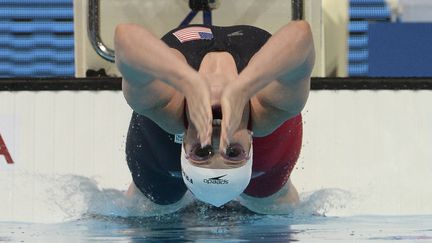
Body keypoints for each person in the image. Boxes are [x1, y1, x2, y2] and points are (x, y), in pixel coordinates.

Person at [114, 20, 315, 214]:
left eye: (202, 152)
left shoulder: (165, 102)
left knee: (153, 206)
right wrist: (244, 87)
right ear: (249, 144)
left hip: (162, 154)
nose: (218, 142)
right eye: (233, 152)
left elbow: (124, 38)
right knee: (272, 205)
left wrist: (187, 82)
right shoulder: (269, 105)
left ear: (183, 144)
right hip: (267, 160)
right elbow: (302, 35)